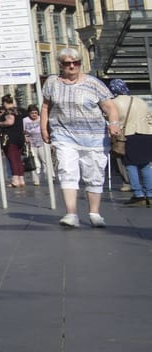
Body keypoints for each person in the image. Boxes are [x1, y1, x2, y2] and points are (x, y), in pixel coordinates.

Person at [41, 48, 121, 228]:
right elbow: (46, 106)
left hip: (93, 137)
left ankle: (94, 213)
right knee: (67, 170)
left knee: (94, 174)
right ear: (60, 65)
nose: (72, 66)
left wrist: (114, 123)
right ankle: (71, 214)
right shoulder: (52, 82)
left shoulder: (94, 83)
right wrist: (43, 128)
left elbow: (109, 107)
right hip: (63, 134)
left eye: (75, 63)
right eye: (67, 63)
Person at [108, 78, 152, 206]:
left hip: (128, 135)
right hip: (145, 134)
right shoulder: (139, 101)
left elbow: (112, 119)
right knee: (145, 164)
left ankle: (138, 195)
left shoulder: (113, 102)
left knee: (130, 165)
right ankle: (150, 194)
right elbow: (149, 117)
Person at [0, 95, 26, 187]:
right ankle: (21, 179)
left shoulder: (10, 111)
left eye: (3, 103)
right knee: (18, 159)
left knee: (12, 159)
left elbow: (10, 122)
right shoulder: (19, 111)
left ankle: (15, 180)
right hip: (20, 137)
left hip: (11, 138)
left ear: (5, 103)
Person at [22, 103, 46, 184]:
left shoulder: (41, 118)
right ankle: (36, 180)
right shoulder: (25, 120)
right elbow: (23, 131)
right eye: (32, 113)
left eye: (36, 113)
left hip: (42, 141)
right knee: (34, 162)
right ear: (29, 113)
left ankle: (50, 177)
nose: (34, 115)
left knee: (45, 160)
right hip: (31, 143)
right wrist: (25, 136)